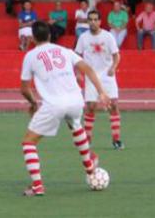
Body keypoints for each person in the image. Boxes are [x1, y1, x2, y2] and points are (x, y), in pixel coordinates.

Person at [20, 21, 110, 196]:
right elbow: (88, 69)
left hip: (54, 104)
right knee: (76, 126)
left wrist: (33, 103)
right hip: (76, 101)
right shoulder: (65, 51)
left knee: (29, 142)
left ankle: (38, 186)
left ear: (32, 38)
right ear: (50, 35)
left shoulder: (31, 56)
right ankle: (89, 167)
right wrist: (102, 92)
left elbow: (24, 88)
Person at [75, 10, 124, 150]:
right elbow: (77, 56)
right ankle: (87, 140)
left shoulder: (108, 36)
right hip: (91, 76)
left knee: (113, 105)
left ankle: (116, 139)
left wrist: (114, 67)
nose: (93, 22)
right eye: (90, 19)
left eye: (96, 19)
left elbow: (116, 55)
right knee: (91, 107)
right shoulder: (83, 38)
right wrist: (78, 72)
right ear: (87, 21)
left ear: (100, 21)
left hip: (107, 76)